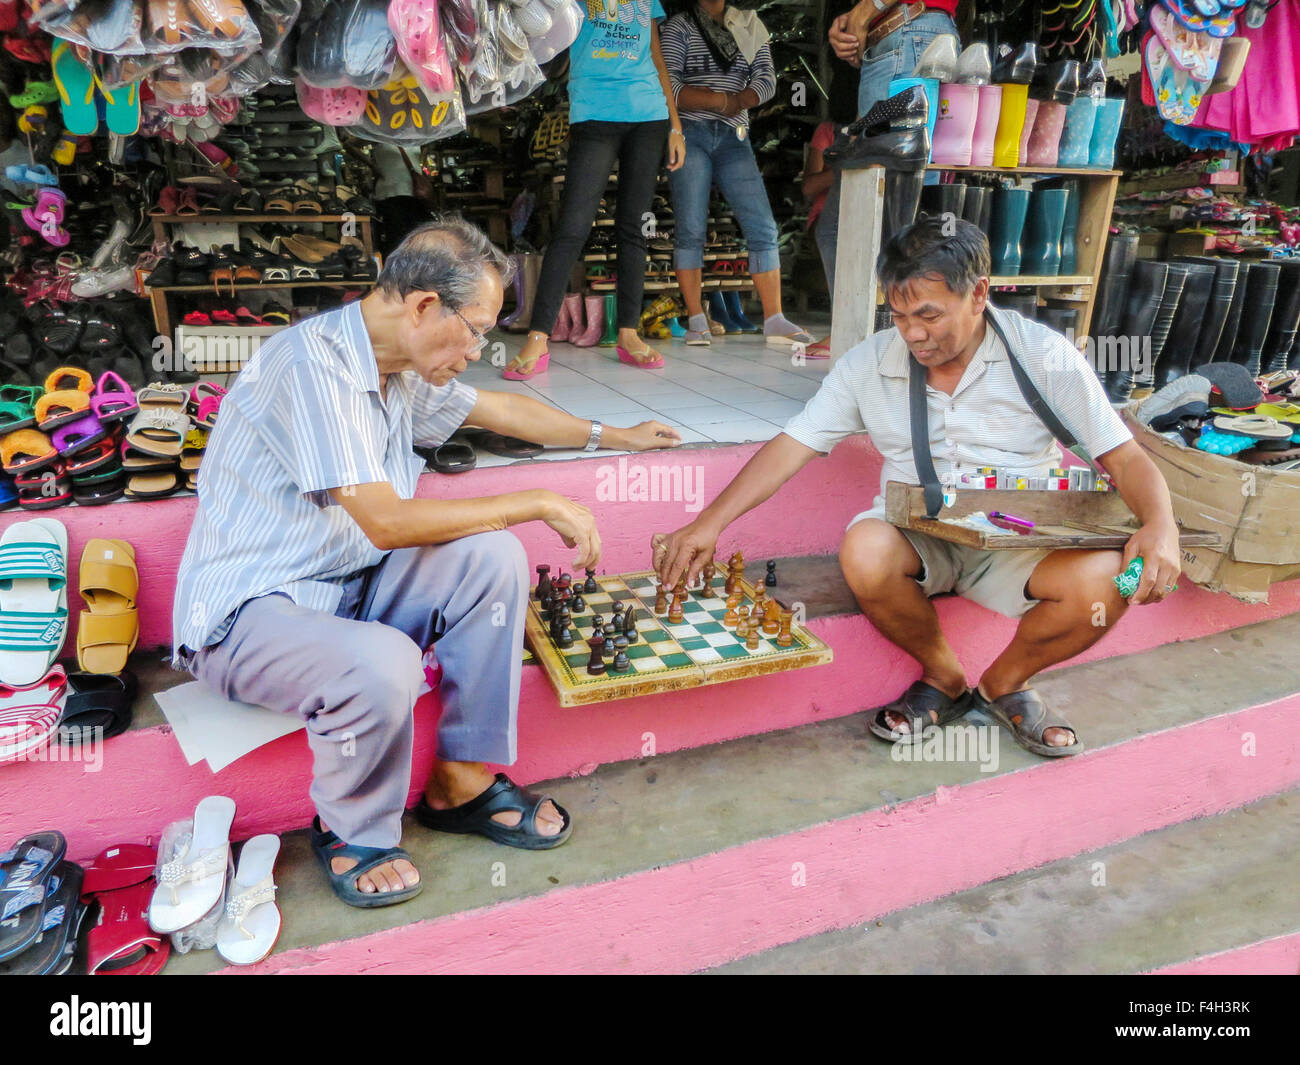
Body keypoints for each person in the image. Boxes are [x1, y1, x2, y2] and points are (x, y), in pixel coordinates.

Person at [172, 217, 682, 908]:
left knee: (492, 559)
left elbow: (499, 409)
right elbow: (385, 521)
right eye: (475, 328)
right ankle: (353, 829)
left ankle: (460, 781)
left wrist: (615, 435)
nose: (477, 348)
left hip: (349, 588)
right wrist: (531, 499)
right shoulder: (310, 365)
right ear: (421, 307)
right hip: (250, 618)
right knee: (385, 660)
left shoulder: (400, 368)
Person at [651, 218, 1183, 757]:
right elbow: (794, 444)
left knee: (1111, 581)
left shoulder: (1043, 356)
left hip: (1020, 541)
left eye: (929, 314)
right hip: (916, 532)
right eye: (899, 315)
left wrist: (1161, 526)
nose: (913, 334)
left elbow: (1124, 456)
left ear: (978, 294)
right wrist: (708, 523)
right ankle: (944, 679)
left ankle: (1006, 684)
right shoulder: (869, 364)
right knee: (865, 549)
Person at [504, 0, 686, 378]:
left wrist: (675, 125)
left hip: (648, 114)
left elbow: (655, 54)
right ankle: (538, 337)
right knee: (572, 228)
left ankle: (628, 333)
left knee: (632, 228)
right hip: (594, 111)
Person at [660, 0, 813, 348]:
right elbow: (670, 89)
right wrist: (722, 102)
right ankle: (697, 319)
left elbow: (767, 79)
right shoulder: (679, 27)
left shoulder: (748, 23)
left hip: (735, 136)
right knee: (691, 229)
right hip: (690, 135)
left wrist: (737, 101)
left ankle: (774, 318)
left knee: (762, 225)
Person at [827, 0, 960, 118]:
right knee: (871, 141)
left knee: (887, 142)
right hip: (904, 30)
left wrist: (862, 13)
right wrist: (852, 20)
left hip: (909, 28)